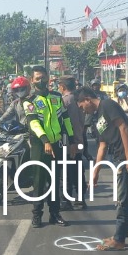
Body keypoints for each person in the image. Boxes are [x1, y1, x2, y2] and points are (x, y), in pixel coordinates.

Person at [76, 86, 128, 251]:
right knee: (120, 199)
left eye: (82, 106)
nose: (83, 110)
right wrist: (95, 172)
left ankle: (119, 239)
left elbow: (123, 127)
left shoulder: (108, 105)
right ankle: (118, 235)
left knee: (122, 199)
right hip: (117, 157)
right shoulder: (97, 119)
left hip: (125, 157)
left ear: (88, 99)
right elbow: (102, 146)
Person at [23, 65, 75, 228]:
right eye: (37, 78)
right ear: (32, 81)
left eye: (43, 77)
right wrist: (45, 141)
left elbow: (65, 119)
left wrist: (72, 141)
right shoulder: (29, 101)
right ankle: (37, 215)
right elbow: (33, 123)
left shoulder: (56, 97)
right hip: (40, 145)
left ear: (48, 78)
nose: (41, 80)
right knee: (39, 181)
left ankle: (55, 214)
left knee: (54, 180)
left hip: (57, 144)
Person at [58, 76, 86, 209]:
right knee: (78, 171)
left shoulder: (64, 101)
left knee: (67, 172)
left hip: (68, 142)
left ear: (63, 87)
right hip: (80, 139)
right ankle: (80, 199)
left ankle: (67, 200)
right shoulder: (78, 100)